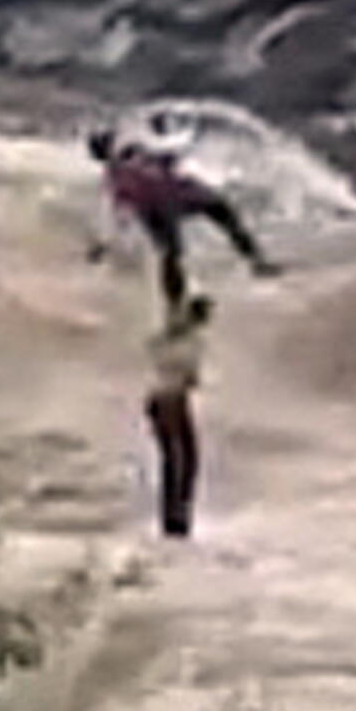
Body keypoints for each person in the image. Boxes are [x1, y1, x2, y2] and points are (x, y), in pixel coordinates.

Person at [87, 126, 280, 307]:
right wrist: (105, 244)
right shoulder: (126, 164)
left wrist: (104, 245)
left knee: (175, 252)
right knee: (182, 247)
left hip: (169, 200)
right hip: (173, 199)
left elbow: (120, 214)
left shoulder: (117, 174)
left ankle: (180, 306)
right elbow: (121, 213)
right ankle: (254, 263)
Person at [145, 292, 212, 539]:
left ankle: (179, 516)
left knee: (184, 459)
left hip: (174, 398)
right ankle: (174, 518)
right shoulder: (178, 339)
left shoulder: (189, 339)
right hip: (167, 398)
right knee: (178, 459)